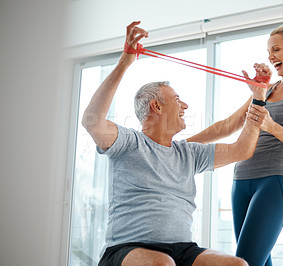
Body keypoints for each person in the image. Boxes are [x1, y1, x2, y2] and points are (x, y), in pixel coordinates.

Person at [82, 21, 271, 266]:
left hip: (181, 250)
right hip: (127, 248)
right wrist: (125, 61)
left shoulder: (188, 153)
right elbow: (93, 123)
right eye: (177, 99)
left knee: (237, 265)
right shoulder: (130, 142)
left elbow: (241, 149)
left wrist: (258, 97)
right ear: (156, 106)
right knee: (162, 264)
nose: (185, 106)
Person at [187, 21, 283, 265]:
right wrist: (181, 145)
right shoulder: (267, 90)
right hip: (241, 181)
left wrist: (271, 126)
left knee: (245, 261)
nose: (270, 57)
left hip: (275, 181)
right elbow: (229, 125)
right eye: (268, 52)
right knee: (258, 261)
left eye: (276, 50)